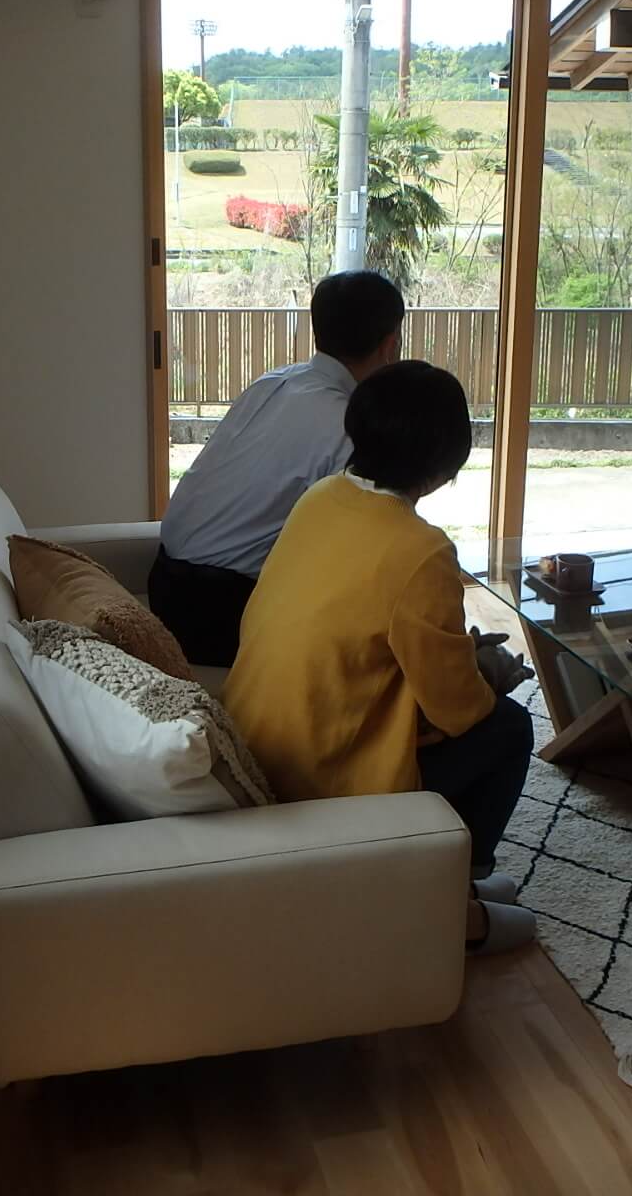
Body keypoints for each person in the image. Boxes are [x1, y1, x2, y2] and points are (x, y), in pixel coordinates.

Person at [222, 360, 539, 955]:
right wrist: (491, 675)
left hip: (261, 741)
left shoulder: (321, 498)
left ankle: (451, 883)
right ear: (445, 465)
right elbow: (457, 711)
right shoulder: (422, 550)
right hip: (325, 775)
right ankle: (449, 901)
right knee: (508, 728)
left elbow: (364, 634)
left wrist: (460, 654)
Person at [150, 270, 405, 666]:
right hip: (219, 611)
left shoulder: (272, 383)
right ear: (390, 346)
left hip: (163, 582)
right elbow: (364, 544)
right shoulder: (348, 423)